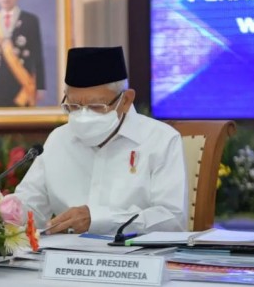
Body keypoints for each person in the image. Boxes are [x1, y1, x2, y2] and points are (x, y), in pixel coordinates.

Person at [15, 46, 188, 235]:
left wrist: (99, 220)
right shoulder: (58, 139)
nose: (83, 116)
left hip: (136, 260)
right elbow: (32, 206)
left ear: (126, 100)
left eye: (96, 106)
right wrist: (0, 209)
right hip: (66, 257)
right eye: (73, 106)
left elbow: (172, 219)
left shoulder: (161, 140)